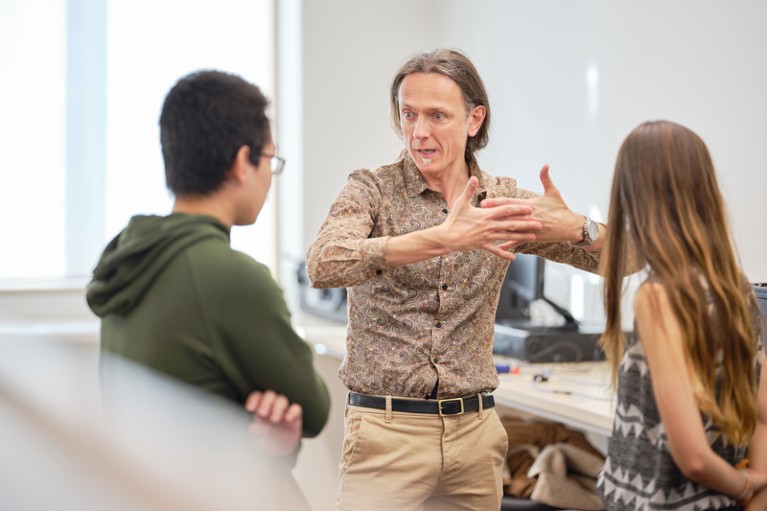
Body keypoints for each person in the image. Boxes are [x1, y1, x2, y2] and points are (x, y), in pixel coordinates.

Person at [306, 47, 621, 510]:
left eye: (437, 116)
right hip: (386, 435)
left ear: (474, 120)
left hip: (474, 437)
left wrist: (579, 229)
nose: (419, 132)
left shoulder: (502, 202)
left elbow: (627, 259)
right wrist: (442, 238)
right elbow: (324, 263)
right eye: (408, 114)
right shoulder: (371, 189)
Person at [86, 70, 330, 458]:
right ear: (241, 163)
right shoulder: (232, 277)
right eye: (270, 159)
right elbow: (314, 410)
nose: (270, 175)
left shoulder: (127, 256)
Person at [596, 120, 767, 510]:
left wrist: (744, 484)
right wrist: (754, 490)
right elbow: (762, 417)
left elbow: (692, 457)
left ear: (632, 198)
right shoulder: (734, 287)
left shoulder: (657, 297)